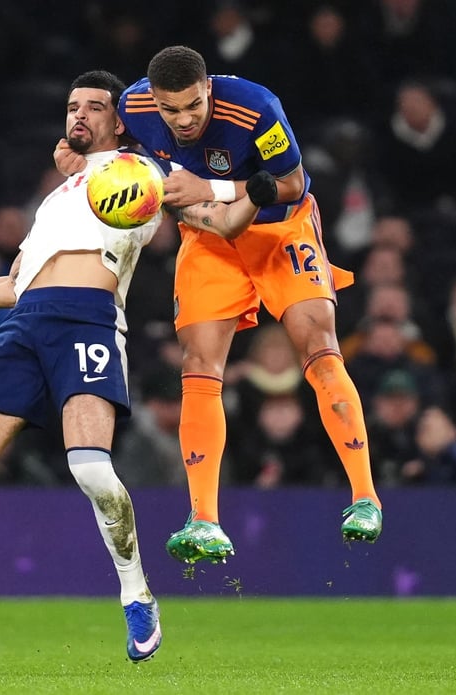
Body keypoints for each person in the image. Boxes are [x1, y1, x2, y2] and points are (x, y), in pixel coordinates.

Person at [0, 69, 276, 669]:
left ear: (121, 119)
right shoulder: (56, 197)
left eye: (94, 106)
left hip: (87, 320)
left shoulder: (139, 172)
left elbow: (210, 201)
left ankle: (137, 593)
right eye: (71, 107)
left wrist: (249, 192)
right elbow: (11, 286)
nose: (78, 116)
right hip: (24, 324)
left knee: (89, 469)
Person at [56, 46, 383, 564]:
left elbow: (294, 183)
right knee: (199, 365)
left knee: (318, 345)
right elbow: (102, 136)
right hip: (208, 237)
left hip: (279, 228)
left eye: (192, 105)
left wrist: (210, 186)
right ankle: (204, 519)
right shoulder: (137, 106)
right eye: (171, 110)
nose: (183, 120)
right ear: (154, 101)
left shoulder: (256, 107)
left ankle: (364, 498)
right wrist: (80, 154)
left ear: (208, 89)